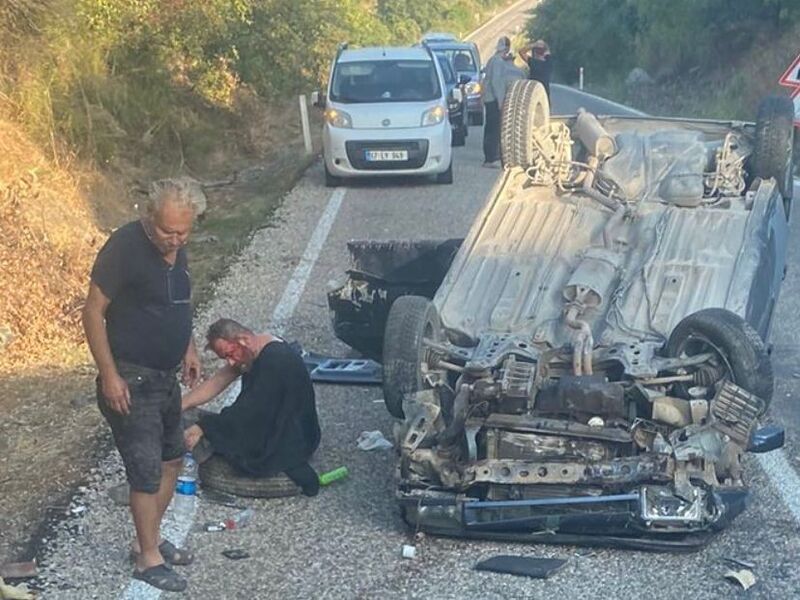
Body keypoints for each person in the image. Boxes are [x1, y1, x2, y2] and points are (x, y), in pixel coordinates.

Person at [82, 179, 202, 593]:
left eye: (183, 232)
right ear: (149, 218)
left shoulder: (178, 248)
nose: (175, 239)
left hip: (165, 376)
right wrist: (110, 374)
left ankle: (145, 538)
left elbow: (179, 301)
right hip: (131, 379)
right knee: (145, 472)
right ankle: (147, 558)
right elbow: (93, 312)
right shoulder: (124, 247)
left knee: (173, 459)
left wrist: (188, 347)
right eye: (168, 231)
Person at [182, 318, 322, 497]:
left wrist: (204, 427)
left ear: (244, 340)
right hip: (292, 429)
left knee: (201, 431)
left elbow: (248, 415)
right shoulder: (256, 348)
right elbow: (218, 381)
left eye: (230, 354)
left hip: (286, 437)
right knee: (187, 416)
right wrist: (180, 405)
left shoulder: (274, 362)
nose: (231, 362)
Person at [482, 36, 525, 167]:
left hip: (489, 98)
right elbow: (497, 82)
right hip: (493, 99)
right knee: (494, 128)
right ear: (506, 48)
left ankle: (491, 156)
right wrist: (501, 101)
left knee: (491, 127)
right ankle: (491, 158)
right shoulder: (498, 62)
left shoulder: (493, 60)